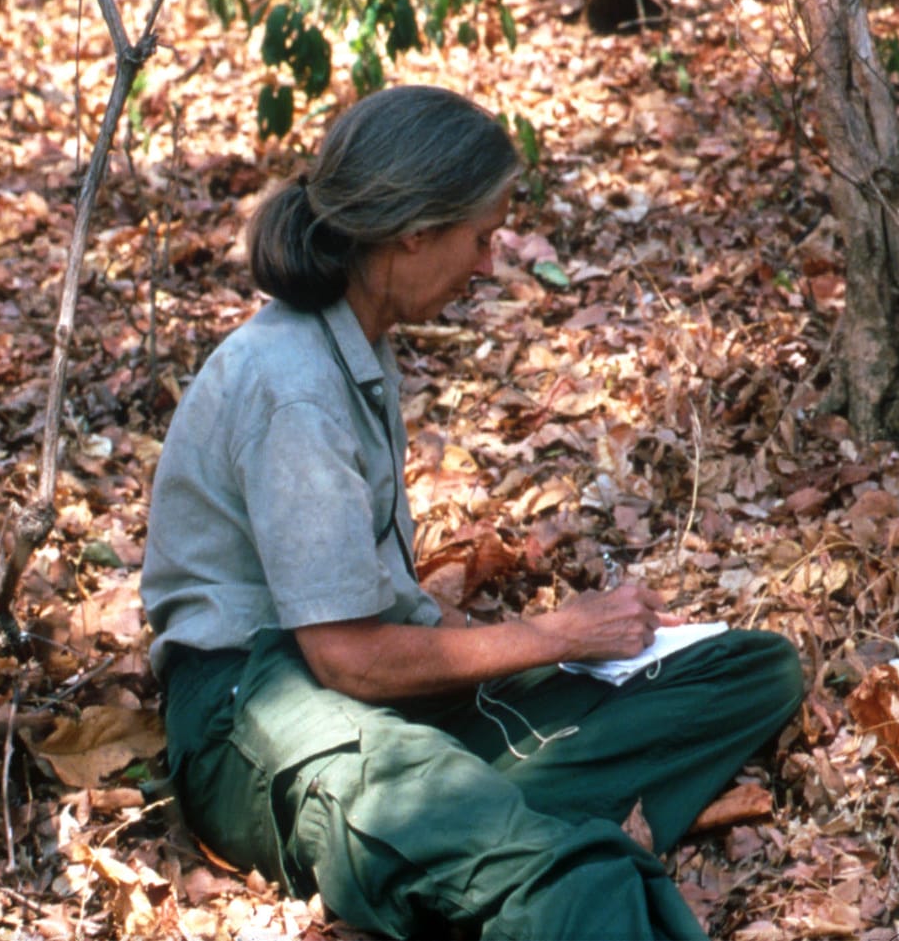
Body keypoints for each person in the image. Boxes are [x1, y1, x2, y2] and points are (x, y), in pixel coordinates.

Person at [141, 85, 804, 941]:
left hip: (357, 683)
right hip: (253, 707)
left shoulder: (358, 344)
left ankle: (451, 841)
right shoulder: (292, 383)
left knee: (746, 668)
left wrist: (578, 643)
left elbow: (367, 622)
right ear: (415, 229)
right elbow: (345, 657)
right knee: (570, 890)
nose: (489, 263)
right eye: (481, 237)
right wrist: (560, 635)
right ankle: (497, 849)